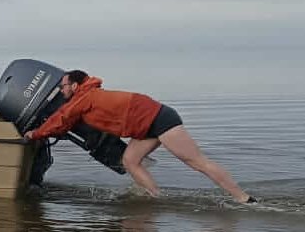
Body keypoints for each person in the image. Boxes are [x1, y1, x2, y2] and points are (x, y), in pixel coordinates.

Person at [24, 70, 256, 204]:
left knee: (197, 162)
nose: (60, 90)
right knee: (130, 161)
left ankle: (244, 199)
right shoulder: (86, 97)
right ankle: (155, 197)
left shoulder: (84, 98)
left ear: (74, 85)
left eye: (63, 86)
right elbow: (66, 120)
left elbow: (61, 119)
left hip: (160, 120)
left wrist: (35, 133)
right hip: (145, 127)